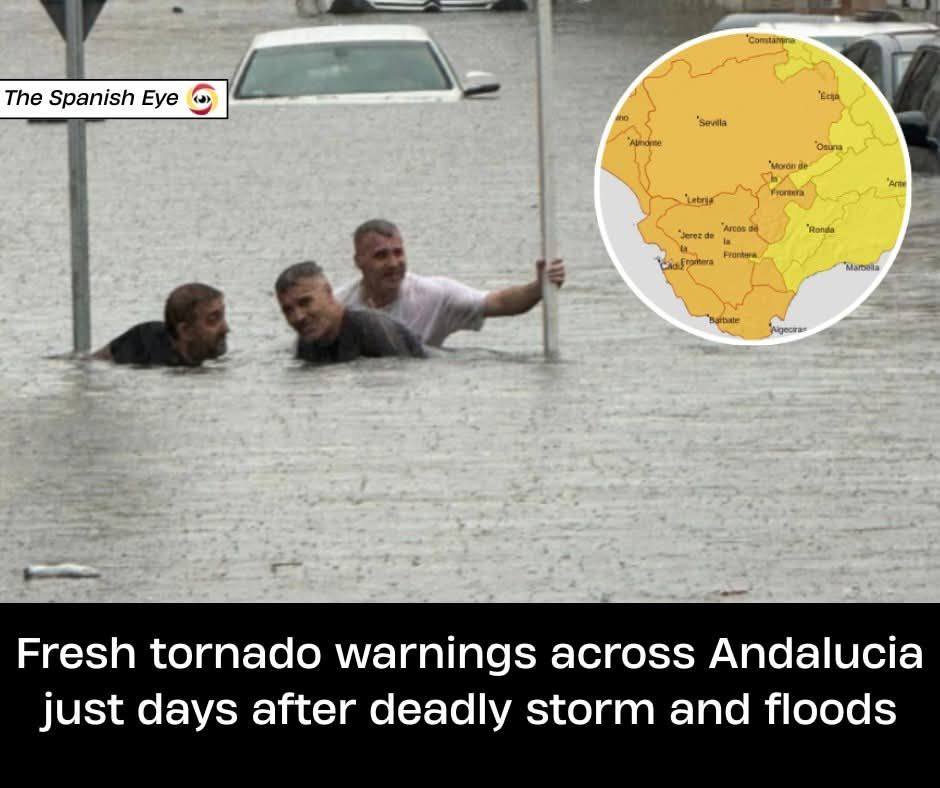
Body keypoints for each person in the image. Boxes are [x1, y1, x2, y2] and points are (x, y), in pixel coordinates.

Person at [334, 218, 566, 347]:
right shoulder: (338, 307)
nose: (394, 263)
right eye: (381, 256)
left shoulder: (434, 295)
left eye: (398, 252)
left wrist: (538, 288)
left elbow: (500, 302)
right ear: (359, 261)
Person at [275, 261, 425, 364]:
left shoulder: (370, 327)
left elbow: (407, 376)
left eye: (305, 302)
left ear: (328, 292)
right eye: (288, 310)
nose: (298, 317)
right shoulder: (306, 343)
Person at [92, 282, 229, 367]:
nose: (226, 329)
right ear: (186, 331)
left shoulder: (214, 348)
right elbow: (94, 362)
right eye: (212, 320)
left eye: (222, 316)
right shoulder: (146, 347)